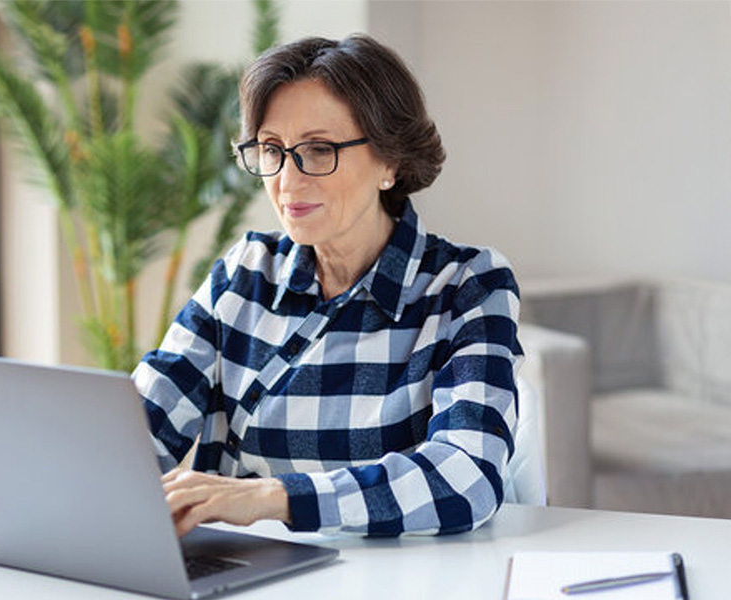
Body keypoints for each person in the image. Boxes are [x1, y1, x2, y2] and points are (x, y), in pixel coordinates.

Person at [132, 34, 522, 538]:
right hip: (251, 576)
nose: (287, 183)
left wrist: (272, 498)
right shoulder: (246, 273)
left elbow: (467, 478)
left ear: (390, 161)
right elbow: (138, 435)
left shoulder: (466, 286)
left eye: (319, 150)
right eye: (272, 150)